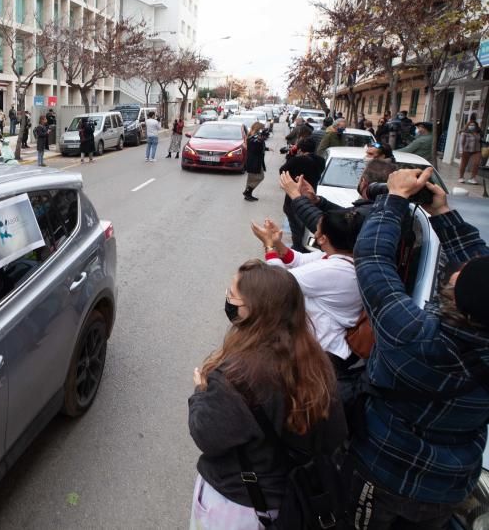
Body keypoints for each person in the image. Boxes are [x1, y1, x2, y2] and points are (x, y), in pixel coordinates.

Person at [348, 168, 489, 528]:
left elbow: (374, 260)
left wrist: (393, 198)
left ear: (457, 298)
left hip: (383, 471)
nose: (456, 271)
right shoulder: (426, 330)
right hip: (449, 486)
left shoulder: (414, 337)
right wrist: (443, 214)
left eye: (458, 277)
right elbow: (481, 274)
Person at [188, 260, 347, 528]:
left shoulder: (235, 376)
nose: (227, 299)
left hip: (238, 506)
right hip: (290, 499)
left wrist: (201, 391)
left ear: (255, 311)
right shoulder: (317, 362)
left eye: (232, 295)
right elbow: (334, 434)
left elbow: (205, 434)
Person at [251, 211, 365, 394]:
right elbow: (299, 260)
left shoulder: (334, 270)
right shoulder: (341, 257)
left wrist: (269, 247)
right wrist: (278, 243)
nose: (316, 233)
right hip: (323, 348)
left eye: (318, 230)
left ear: (322, 239)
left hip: (322, 354)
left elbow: (280, 283)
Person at [281, 159, 397, 242]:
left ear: (364, 182)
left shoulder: (372, 212)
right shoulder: (383, 207)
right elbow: (344, 214)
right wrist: (317, 201)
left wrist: (296, 197)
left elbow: (329, 226)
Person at [278, 137, 325, 252]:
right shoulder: (321, 160)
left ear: (300, 149)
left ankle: (298, 247)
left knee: (295, 224)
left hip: (295, 196)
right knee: (305, 222)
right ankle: (304, 244)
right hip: (311, 194)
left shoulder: (298, 160)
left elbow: (282, 171)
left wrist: (291, 156)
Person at [242, 123, 267, 202]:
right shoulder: (254, 137)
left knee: (251, 179)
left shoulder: (253, 136)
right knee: (260, 177)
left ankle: (248, 194)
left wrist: (266, 148)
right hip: (254, 161)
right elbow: (254, 148)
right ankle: (247, 192)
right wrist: (260, 140)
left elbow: (256, 146)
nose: (262, 130)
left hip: (253, 160)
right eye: (262, 128)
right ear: (258, 128)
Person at [458, 117, 483, 184]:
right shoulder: (465, 132)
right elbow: (461, 142)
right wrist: (461, 151)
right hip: (466, 150)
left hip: (477, 150)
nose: (472, 126)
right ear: (468, 125)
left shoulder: (478, 132)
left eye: (473, 125)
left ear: (476, 126)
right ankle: (461, 177)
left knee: (476, 163)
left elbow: (480, 141)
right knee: (464, 164)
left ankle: (472, 178)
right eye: (470, 125)